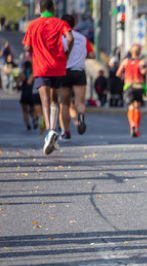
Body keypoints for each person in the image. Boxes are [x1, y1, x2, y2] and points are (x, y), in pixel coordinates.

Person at [23, 0, 74, 155]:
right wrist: (66, 54)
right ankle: (53, 128)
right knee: (54, 100)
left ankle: (50, 131)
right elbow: (70, 38)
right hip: (58, 66)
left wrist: (33, 47)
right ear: (53, 8)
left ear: (40, 9)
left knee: (44, 100)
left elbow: (26, 46)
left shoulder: (33, 25)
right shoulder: (60, 23)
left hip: (41, 67)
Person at [59, 14, 95, 141]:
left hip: (64, 72)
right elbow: (93, 55)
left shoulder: (60, 38)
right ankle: (80, 117)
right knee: (79, 102)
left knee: (64, 104)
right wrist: (81, 56)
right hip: (79, 72)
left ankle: (66, 131)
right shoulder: (83, 38)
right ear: (74, 24)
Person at [116, 44, 147, 138]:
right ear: (140, 52)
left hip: (128, 86)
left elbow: (118, 73)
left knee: (130, 107)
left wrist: (124, 76)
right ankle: (137, 128)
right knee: (137, 107)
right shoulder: (141, 62)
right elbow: (143, 72)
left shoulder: (126, 61)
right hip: (139, 86)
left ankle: (132, 125)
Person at [19, 61, 40, 131]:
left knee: (25, 111)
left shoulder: (23, 73)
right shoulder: (33, 72)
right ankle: (34, 118)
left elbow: (19, 82)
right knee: (32, 110)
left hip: (24, 94)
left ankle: (28, 125)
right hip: (32, 94)